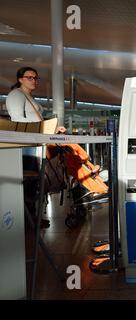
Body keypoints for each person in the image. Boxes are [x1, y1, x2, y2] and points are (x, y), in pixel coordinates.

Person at [6, 67, 66, 228]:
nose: (34, 80)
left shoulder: (28, 97)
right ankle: (26, 219)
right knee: (28, 180)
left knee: (33, 181)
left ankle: (31, 218)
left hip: (33, 142)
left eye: (36, 78)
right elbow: (17, 121)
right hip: (25, 144)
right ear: (20, 79)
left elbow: (34, 120)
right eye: (30, 77)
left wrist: (50, 127)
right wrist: (46, 127)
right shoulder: (16, 95)